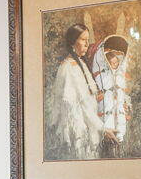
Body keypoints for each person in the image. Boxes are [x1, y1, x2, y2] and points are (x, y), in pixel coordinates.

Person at [43, 22, 103, 161]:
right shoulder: (68, 67)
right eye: (83, 39)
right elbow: (81, 104)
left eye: (88, 40)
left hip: (89, 127)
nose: (87, 44)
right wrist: (103, 129)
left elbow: (88, 97)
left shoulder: (80, 63)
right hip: (79, 131)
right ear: (72, 42)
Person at [94, 34, 131, 156]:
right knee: (105, 149)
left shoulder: (120, 76)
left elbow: (124, 96)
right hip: (104, 119)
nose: (115, 65)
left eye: (116, 62)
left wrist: (126, 106)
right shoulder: (101, 75)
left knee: (117, 148)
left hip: (119, 117)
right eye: (112, 62)